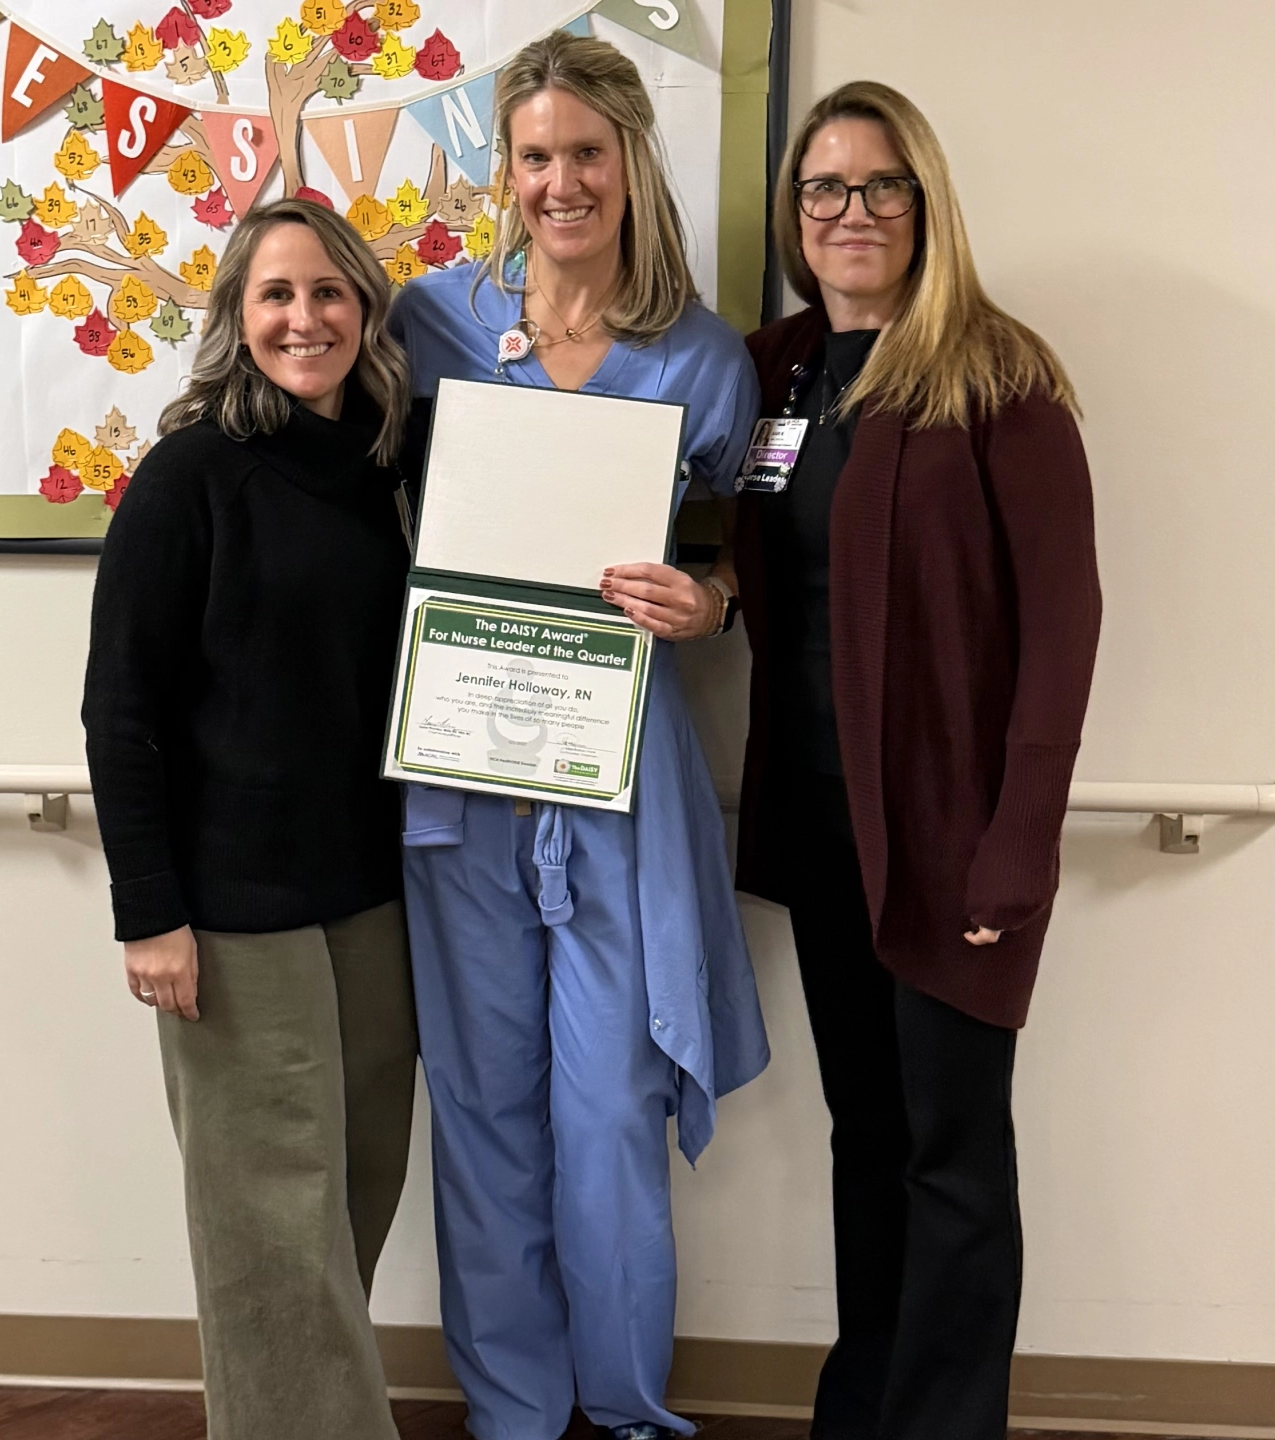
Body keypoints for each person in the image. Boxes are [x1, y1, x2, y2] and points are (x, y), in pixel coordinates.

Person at [389, 31, 769, 1440]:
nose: (561, 181)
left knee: (608, 1113)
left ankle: (620, 1408)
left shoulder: (701, 357)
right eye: (535, 154)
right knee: (482, 1111)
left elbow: (744, 550)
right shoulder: (426, 321)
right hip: (464, 772)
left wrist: (710, 597)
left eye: (586, 154)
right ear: (505, 165)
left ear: (630, 161)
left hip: (619, 777)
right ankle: (512, 1412)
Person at [734, 82, 1102, 1440]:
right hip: (827, 827)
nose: (852, 213)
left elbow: (1067, 625)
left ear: (926, 204)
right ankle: (867, 1405)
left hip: (955, 842)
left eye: (882, 186)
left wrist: (1024, 835)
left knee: (952, 1156)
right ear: (795, 216)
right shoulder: (775, 373)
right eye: (825, 189)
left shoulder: (998, 376)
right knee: (866, 1141)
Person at [82, 198, 418, 1440]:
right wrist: (151, 915)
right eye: (275, 295)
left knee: (353, 1196)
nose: (305, 318)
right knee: (270, 1227)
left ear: (367, 312)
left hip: (376, 900)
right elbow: (120, 708)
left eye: (330, 292)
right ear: (235, 317)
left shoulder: (388, 465)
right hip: (232, 918)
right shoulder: (187, 478)